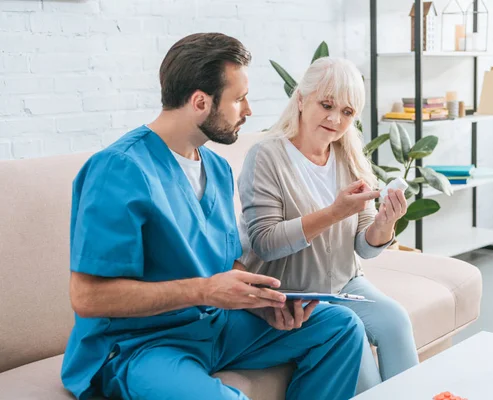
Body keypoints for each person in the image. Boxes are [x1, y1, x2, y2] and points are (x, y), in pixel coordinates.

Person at [61, 33, 365, 400]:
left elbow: (225, 263)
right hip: (141, 346)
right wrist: (206, 290)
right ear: (200, 102)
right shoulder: (118, 170)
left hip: (213, 326)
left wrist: (262, 305)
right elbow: (88, 298)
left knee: (341, 326)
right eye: (239, 99)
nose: (249, 110)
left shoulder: (218, 169)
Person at [237, 57, 420, 393]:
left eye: (347, 113)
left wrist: (385, 222)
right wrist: (335, 212)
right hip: (291, 292)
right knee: (359, 358)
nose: (336, 119)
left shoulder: (349, 158)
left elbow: (365, 247)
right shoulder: (266, 156)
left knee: (395, 320)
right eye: (327, 105)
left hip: (343, 285)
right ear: (302, 100)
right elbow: (266, 242)